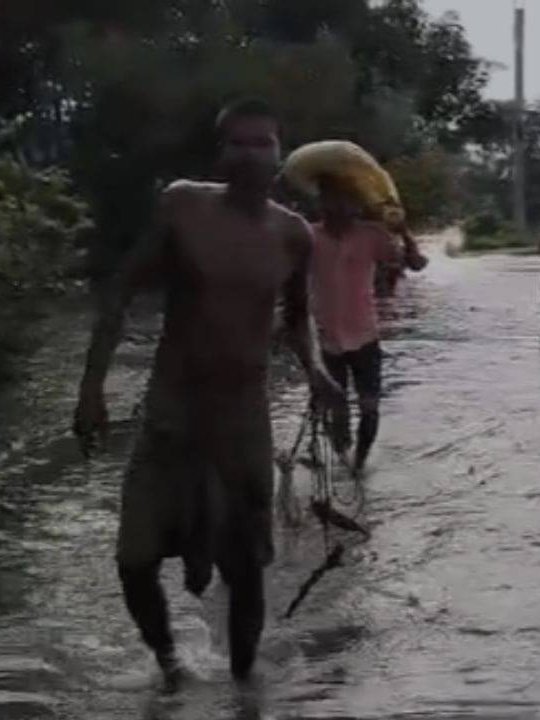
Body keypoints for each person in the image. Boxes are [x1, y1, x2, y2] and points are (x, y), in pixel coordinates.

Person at [72, 98, 343, 685]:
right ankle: (170, 663)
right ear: (220, 153)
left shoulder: (293, 234)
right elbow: (120, 292)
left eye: (262, 142)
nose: (249, 154)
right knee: (134, 559)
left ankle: (245, 689)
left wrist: (317, 370)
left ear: (279, 153)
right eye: (237, 142)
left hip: (243, 415)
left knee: (245, 567)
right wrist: (92, 390)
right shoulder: (183, 206)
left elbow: (299, 319)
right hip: (172, 409)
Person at [310, 175, 428, 476]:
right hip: (325, 339)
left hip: (365, 336)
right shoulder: (308, 236)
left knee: (370, 408)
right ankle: (342, 455)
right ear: (321, 202)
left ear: (355, 204)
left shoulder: (373, 235)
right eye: (331, 198)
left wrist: (404, 231)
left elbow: (416, 264)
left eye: (345, 199)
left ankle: (359, 467)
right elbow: (287, 277)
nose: (338, 206)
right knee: (335, 407)